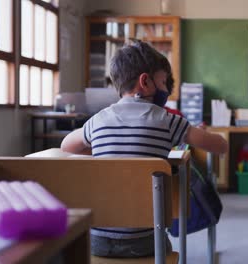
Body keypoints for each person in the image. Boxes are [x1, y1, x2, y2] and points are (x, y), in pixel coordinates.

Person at [61, 40, 228, 257]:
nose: (167, 89)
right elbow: (220, 146)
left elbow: (67, 146)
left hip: (96, 242)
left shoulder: (98, 120)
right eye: (164, 82)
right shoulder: (168, 120)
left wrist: (107, 148)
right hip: (145, 242)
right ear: (145, 81)